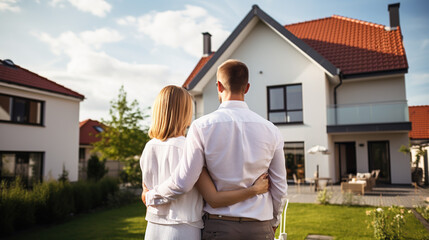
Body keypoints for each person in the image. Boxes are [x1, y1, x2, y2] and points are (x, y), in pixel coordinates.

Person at [146, 59, 288, 239]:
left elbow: (183, 182)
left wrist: (151, 196)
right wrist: (274, 221)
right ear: (247, 87)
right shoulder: (271, 130)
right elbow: (280, 187)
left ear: (219, 86)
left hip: (218, 226)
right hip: (260, 226)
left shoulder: (201, 127)